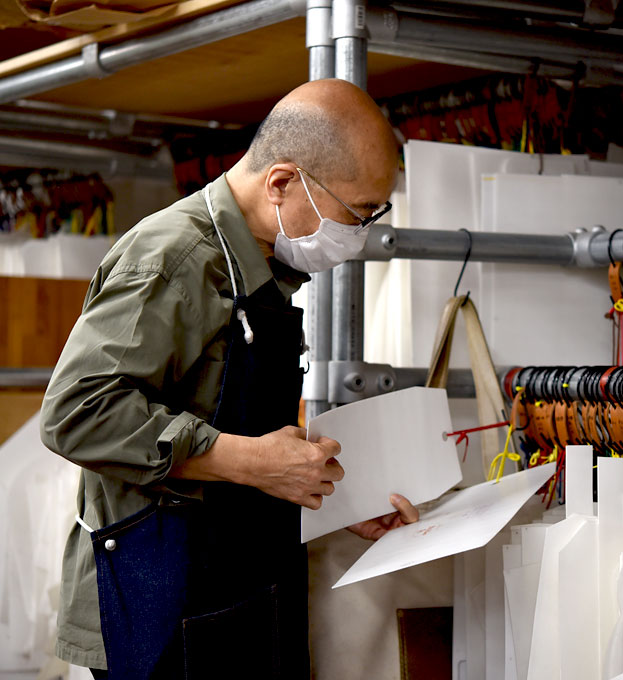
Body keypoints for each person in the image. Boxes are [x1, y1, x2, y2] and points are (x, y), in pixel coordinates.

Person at [40, 78, 419, 679]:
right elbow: (77, 413)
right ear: (282, 182)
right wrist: (247, 461)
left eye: (376, 214)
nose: (361, 232)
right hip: (161, 600)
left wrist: (332, 498)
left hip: (243, 583)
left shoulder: (261, 264)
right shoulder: (174, 259)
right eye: (356, 213)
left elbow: (236, 428)